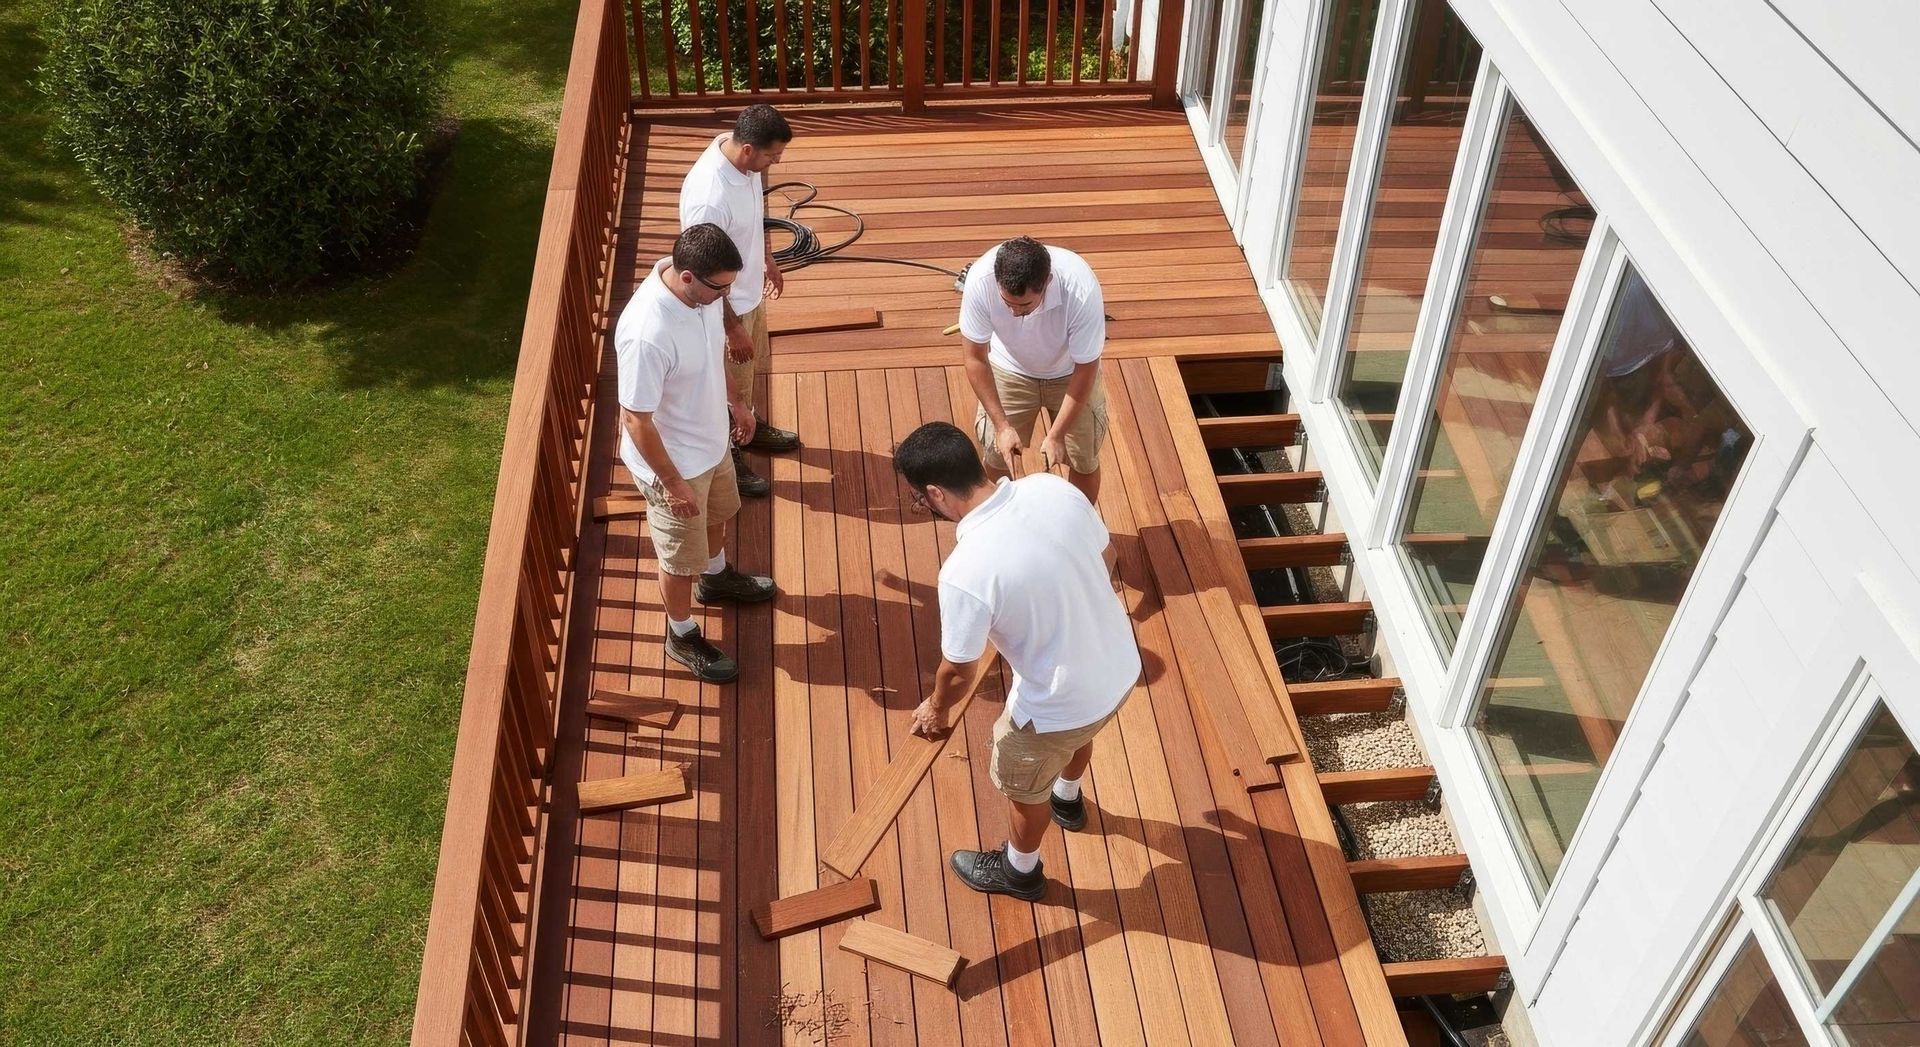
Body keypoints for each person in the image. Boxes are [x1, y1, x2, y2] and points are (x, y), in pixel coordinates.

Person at [895, 421, 1141, 901]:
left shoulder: (965, 571)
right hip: (1119, 668)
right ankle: (1068, 802)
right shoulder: (1053, 489)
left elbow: (959, 669)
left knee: (1025, 786)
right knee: (1078, 737)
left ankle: (1019, 871)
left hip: (1059, 703)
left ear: (935, 493)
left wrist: (937, 708)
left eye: (919, 500)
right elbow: (1108, 558)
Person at [616, 223, 779, 684]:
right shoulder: (648, 333)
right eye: (720, 288)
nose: (726, 296)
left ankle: (717, 577)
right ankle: (680, 633)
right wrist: (672, 483)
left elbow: (712, 354)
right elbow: (636, 420)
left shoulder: (700, 296)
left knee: (718, 517)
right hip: (674, 467)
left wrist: (737, 404)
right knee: (678, 559)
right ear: (688, 276)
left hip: (711, 446)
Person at [679, 103, 802, 499]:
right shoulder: (709, 198)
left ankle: (747, 425)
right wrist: (731, 327)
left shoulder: (744, 164)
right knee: (722, 383)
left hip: (748, 294)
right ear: (748, 147)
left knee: (748, 375)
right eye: (772, 155)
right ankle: (729, 451)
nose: (776, 162)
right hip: (723, 307)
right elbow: (702, 273)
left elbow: (758, 207)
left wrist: (766, 256)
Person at [959, 235, 1110, 506]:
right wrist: (1002, 426)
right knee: (996, 457)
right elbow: (975, 358)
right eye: (1007, 303)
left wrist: (1057, 435)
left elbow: (1087, 368)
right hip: (1008, 369)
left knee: (1084, 461)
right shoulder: (980, 282)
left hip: (1070, 373)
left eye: (1025, 305)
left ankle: (1079, 528)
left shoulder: (1081, 289)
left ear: (1048, 283)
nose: (1015, 312)